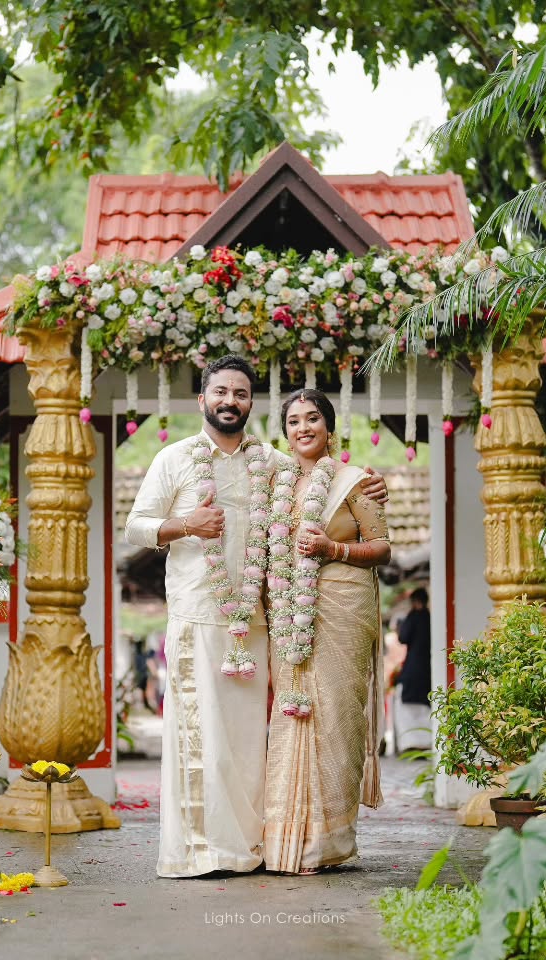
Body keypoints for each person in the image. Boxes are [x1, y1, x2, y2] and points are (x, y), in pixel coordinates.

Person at [124, 357, 387, 878]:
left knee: (250, 744)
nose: (230, 401)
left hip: (258, 622)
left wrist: (370, 481)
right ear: (202, 399)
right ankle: (202, 852)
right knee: (202, 737)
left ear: (250, 404)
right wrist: (186, 524)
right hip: (199, 615)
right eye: (220, 391)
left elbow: (320, 471)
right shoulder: (174, 458)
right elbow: (135, 526)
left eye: (241, 394)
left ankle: (248, 847)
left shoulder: (269, 461)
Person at [263, 388, 391, 875]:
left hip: (342, 607)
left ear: (329, 427)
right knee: (291, 716)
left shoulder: (354, 481)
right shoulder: (274, 483)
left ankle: (327, 843)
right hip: (287, 612)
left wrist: (333, 550)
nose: (303, 428)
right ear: (285, 432)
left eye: (312, 418)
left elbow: (382, 548)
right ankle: (285, 841)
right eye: (294, 421)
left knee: (335, 716)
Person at [394, 588, 433, 751]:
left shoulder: (413, 617)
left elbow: (403, 637)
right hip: (428, 667)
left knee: (406, 708)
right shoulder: (431, 617)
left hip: (412, 668)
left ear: (415, 601)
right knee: (426, 706)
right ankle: (426, 742)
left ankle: (411, 743)